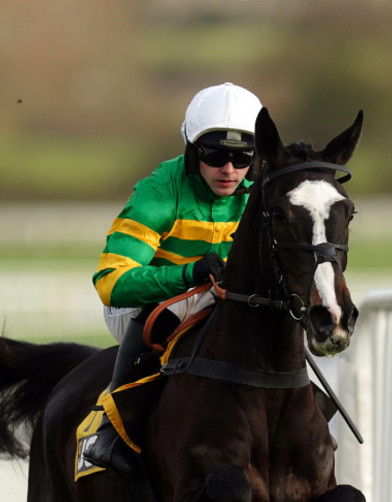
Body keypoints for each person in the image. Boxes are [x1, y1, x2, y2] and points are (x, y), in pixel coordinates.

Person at [84, 82, 263, 474]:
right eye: (215, 154)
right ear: (193, 151)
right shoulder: (160, 191)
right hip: (139, 307)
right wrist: (187, 274)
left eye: (241, 157)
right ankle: (113, 430)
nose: (229, 169)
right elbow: (111, 283)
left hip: (222, 297)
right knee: (187, 303)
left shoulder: (261, 190)